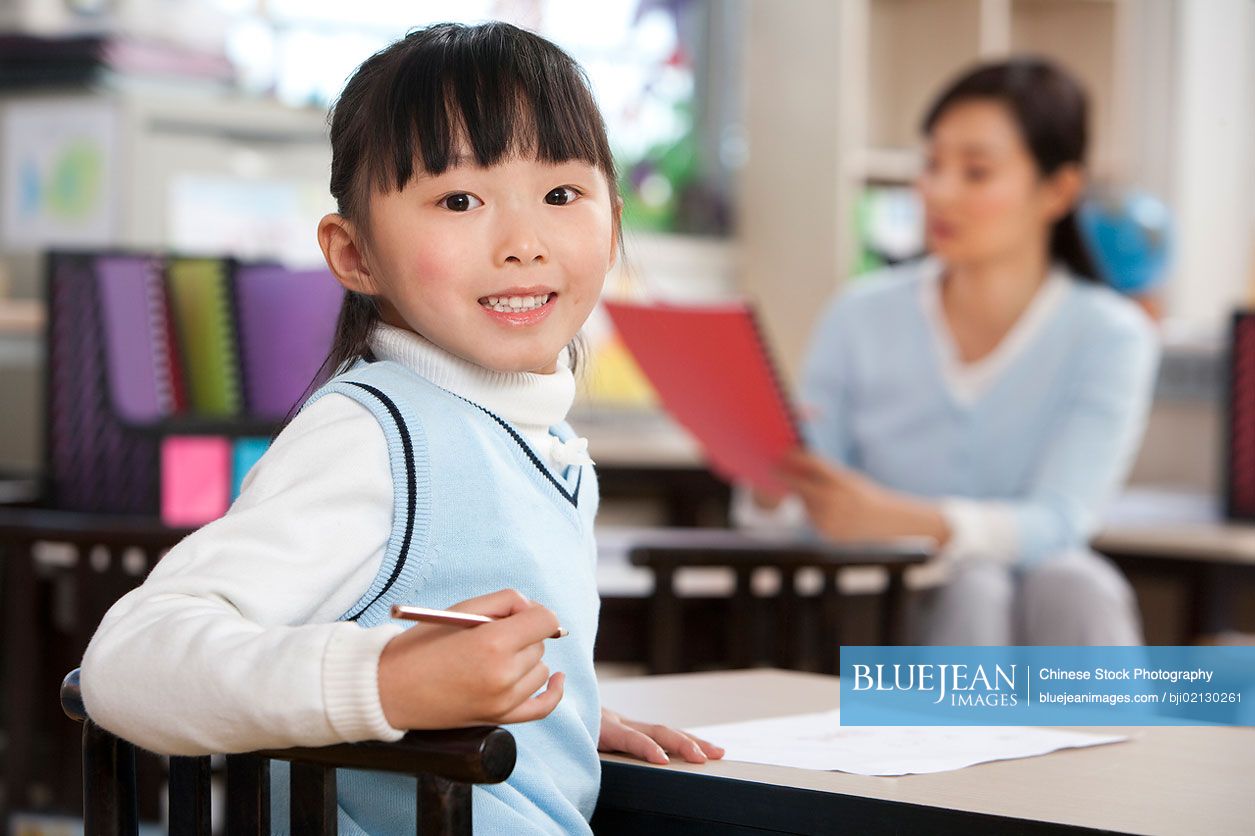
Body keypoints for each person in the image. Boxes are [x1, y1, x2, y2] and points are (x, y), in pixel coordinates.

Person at [82, 22, 721, 835]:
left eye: (561, 195)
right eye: (459, 200)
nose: (523, 244)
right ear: (355, 255)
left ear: (613, 218)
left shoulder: (539, 445)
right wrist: (384, 687)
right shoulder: (375, 438)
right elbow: (128, 664)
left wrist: (552, 716)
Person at [740, 58, 1159, 646]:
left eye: (976, 172)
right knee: (976, 586)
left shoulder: (1111, 334)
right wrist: (769, 474)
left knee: (1074, 580)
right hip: (882, 606)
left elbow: (1062, 521)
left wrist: (901, 521)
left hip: (1046, 596)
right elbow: (806, 505)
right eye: (932, 164)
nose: (939, 191)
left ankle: (1115, 739)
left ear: (1059, 189)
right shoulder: (858, 314)